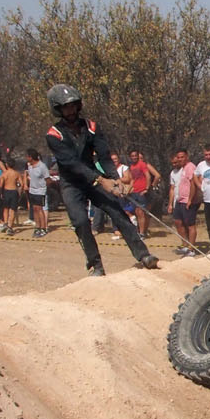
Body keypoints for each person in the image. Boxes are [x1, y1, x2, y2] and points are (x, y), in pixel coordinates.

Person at [43, 84, 158, 275]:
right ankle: (95, 264)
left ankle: (143, 255)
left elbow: (104, 155)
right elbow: (71, 163)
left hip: (93, 178)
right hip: (71, 183)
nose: (70, 110)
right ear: (58, 109)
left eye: (73, 105)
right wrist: (100, 179)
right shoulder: (54, 135)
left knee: (116, 210)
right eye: (65, 107)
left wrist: (115, 178)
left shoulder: (92, 127)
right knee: (80, 221)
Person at [170, 148, 199, 254]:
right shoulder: (182, 169)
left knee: (190, 224)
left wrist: (190, 200)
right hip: (180, 200)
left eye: (182, 157)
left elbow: (193, 184)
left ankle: (191, 249)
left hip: (188, 200)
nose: (180, 159)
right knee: (178, 221)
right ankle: (185, 244)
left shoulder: (190, 167)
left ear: (187, 156)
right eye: (178, 157)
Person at [127, 149, 160, 237]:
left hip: (144, 192)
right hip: (135, 191)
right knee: (138, 212)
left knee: (142, 212)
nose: (136, 158)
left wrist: (149, 187)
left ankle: (142, 232)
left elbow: (155, 176)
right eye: (132, 156)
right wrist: (129, 190)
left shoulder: (145, 165)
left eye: (138, 156)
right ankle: (142, 231)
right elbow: (132, 179)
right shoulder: (132, 166)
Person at [25, 149, 51, 237]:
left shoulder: (42, 166)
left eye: (27, 156)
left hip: (40, 191)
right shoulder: (29, 166)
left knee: (40, 209)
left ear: (31, 157)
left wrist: (43, 188)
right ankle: (37, 227)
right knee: (35, 209)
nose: (26, 158)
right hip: (32, 190)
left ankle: (44, 228)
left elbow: (48, 179)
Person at [0, 158, 23, 235]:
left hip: (6, 191)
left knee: (6, 208)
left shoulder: (4, 174)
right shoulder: (17, 173)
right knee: (12, 210)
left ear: (7, 165)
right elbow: (21, 184)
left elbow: (1, 185)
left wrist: (1, 193)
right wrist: (19, 192)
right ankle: (10, 226)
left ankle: (5, 223)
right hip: (14, 191)